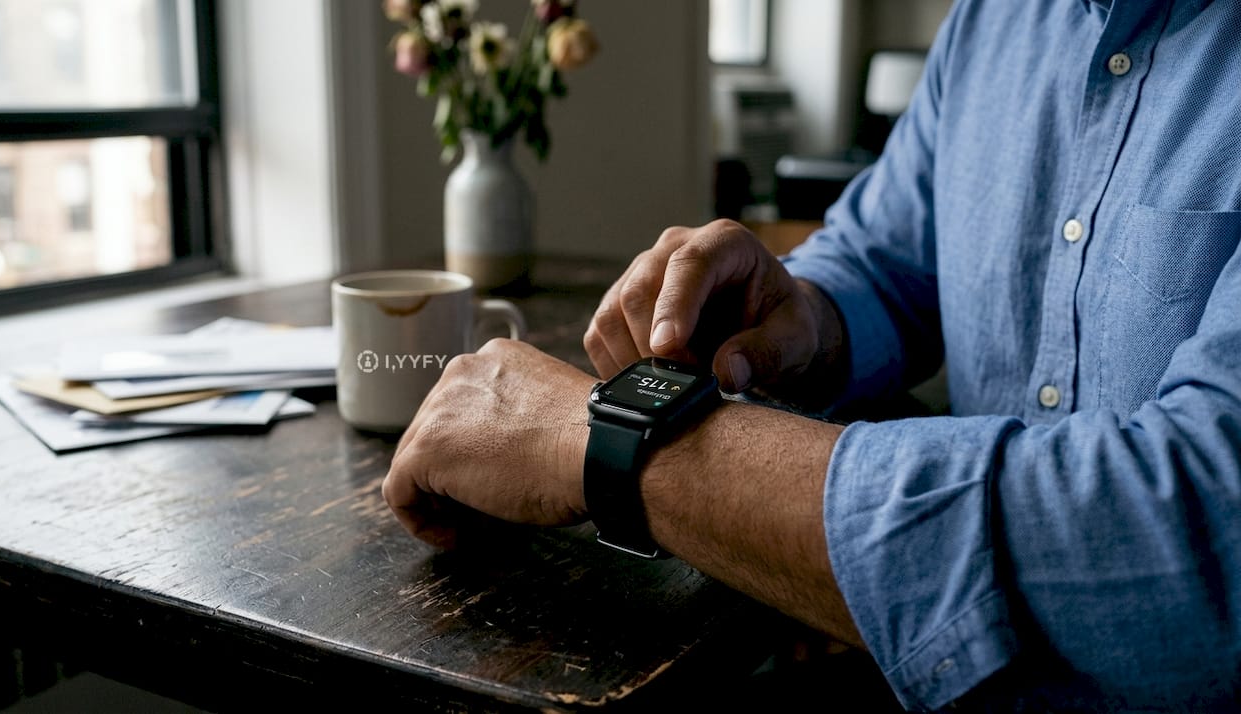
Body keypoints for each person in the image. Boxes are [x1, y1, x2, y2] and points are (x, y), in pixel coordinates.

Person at [383, 0, 1241, 710]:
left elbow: (1190, 524)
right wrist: (806, 314)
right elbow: (888, 260)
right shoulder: (993, 21)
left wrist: (608, 445)